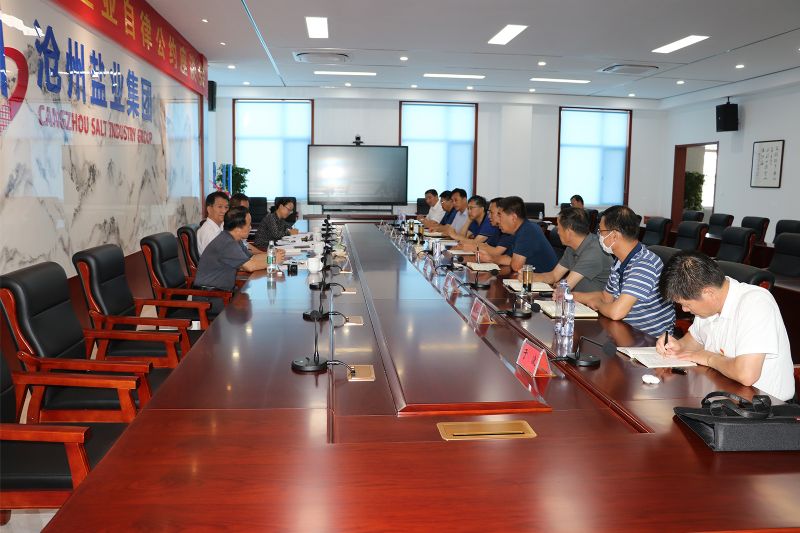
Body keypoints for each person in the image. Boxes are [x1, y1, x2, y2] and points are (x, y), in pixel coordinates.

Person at [657, 251, 794, 401]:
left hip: (764, 405)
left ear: (708, 293)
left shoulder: (756, 303)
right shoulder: (709, 305)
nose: (684, 310)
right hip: (721, 394)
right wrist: (678, 345)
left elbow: (746, 375)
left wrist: (709, 358)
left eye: (687, 304)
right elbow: (694, 341)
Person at [573, 205, 674, 336]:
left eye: (601, 231)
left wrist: (597, 304)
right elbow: (606, 297)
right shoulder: (620, 261)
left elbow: (617, 312)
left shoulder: (644, 264)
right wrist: (572, 296)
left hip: (650, 339)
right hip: (626, 331)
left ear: (614, 235)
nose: (599, 236)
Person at [194, 207, 284, 314]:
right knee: (259, 308)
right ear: (238, 228)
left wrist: (272, 254)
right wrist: (273, 259)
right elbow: (249, 266)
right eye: (248, 225)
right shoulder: (227, 243)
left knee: (258, 303)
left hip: (222, 293)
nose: (251, 227)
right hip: (210, 299)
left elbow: (252, 258)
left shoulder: (233, 239)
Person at [526, 206, 613, 292]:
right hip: (578, 298)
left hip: (593, 301)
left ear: (568, 231)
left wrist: (560, 285)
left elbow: (565, 287)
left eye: (559, 228)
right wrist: (528, 276)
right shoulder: (571, 247)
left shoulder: (594, 251)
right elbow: (554, 276)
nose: (558, 232)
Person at [494, 196, 558, 274]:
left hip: (543, 280)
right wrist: (493, 258)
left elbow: (516, 266)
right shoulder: (519, 230)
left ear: (513, 217)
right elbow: (508, 258)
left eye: (500, 215)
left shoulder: (528, 230)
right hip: (531, 277)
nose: (497, 221)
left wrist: (495, 259)